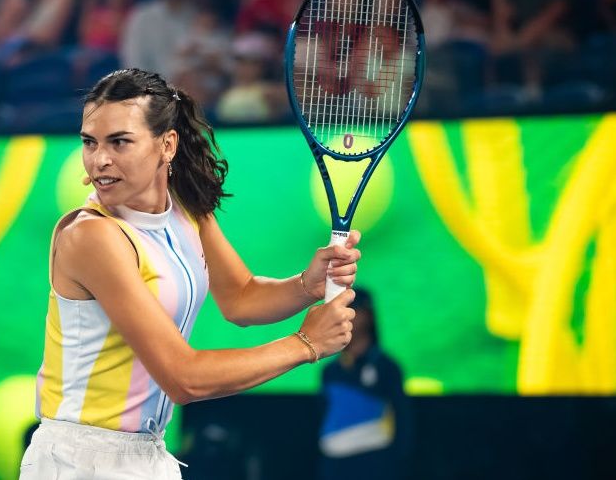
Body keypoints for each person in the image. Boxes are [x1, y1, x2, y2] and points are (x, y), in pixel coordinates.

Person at [20, 68, 362, 479]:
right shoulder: (91, 236)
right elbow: (184, 379)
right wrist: (306, 343)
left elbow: (241, 297)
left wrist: (307, 284)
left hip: (147, 454)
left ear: (167, 145)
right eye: (90, 143)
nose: (100, 159)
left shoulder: (186, 209)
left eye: (120, 142)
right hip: (79, 461)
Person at [317, 287, 411, 480]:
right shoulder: (330, 371)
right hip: (334, 462)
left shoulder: (387, 367)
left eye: (352, 309)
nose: (345, 316)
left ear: (368, 315)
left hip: (375, 461)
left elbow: (403, 418)